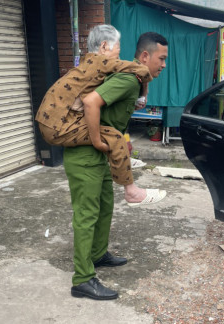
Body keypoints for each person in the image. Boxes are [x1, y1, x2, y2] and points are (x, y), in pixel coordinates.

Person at [64, 30, 168, 300]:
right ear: (145, 56)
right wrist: (98, 141)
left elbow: (112, 116)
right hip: (85, 153)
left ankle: (97, 255)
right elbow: (91, 102)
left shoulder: (135, 80)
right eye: (162, 58)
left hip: (100, 155)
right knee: (86, 215)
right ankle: (82, 279)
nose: (164, 65)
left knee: (105, 206)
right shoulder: (128, 80)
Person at [35, 25, 156, 205]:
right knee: (114, 136)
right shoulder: (101, 62)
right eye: (118, 50)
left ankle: (122, 160)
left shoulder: (87, 64)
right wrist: (143, 95)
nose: (119, 56)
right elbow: (142, 70)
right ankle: (131, 192)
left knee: (112, 136)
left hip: (50, 121)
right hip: (56, 126)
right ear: (104, 47)